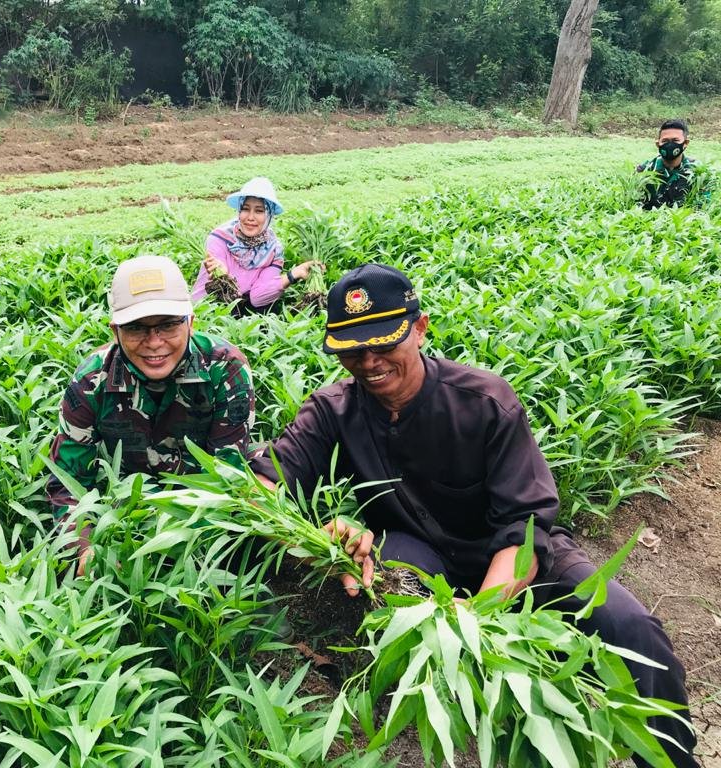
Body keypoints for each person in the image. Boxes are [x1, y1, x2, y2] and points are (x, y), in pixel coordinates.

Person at [249, 263, 699, 768]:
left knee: (631, 629)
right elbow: (265, 487)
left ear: (420, 328)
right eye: (352, 350)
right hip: (417, 556)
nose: (369, 362)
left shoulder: (485, 401)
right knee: (392, 564)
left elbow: (524, 529)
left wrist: (479, 614)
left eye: (383, 344)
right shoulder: (333, 410)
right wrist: (323, 541)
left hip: (517, 558)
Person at [48, 255, 255, 566]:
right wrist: (85, 546)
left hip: (200, 511)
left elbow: (227, 475)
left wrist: (172, 545)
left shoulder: (225, 369)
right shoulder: (92, 380)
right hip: (124, 506)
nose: (154, 342)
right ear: (115, 331)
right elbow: (68, 481)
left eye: (168, 325)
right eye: (136, 328)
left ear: (190, 322)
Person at [191, 177, 318, 314]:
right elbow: (216, 288)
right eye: (245, 209)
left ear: (269, 215)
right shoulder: (220, 238)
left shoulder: (273, 250)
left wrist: (293, 275)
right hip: (208, 308)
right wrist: (222, 275)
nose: (250, 217)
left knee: (266, 309)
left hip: (242, 308)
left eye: (259, 211)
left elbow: (258, 298)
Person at [637, 118, 711, 210]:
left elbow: (703, 207)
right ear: (658, 144)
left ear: (685, 143)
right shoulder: (644, 171)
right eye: (665, 141)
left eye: (675, 140)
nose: (670, 145)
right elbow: (634, 204)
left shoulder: (699, 173)